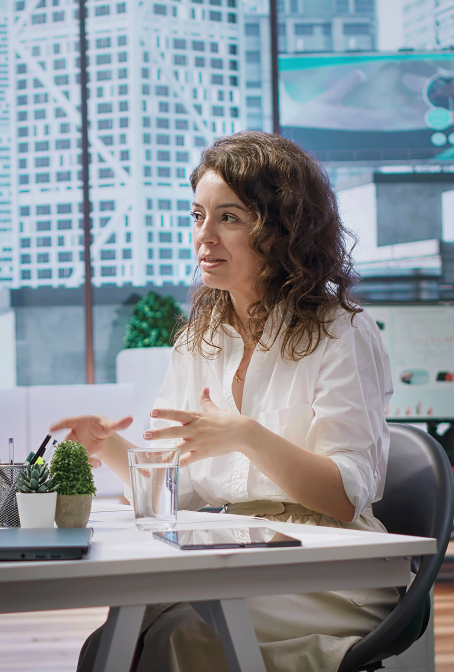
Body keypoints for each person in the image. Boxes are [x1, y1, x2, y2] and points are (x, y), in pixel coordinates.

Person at [57, 131, 397, 672]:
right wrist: (109, 448)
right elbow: (180, 491)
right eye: (198, 216)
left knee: (178, 635)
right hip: (236, 552)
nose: (204, 236)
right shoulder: (198, 340)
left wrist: (246, 435)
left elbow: (342, 497)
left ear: (283, 230)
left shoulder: (341, 331)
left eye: (229, 218)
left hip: (332, 565)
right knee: (111, 641)